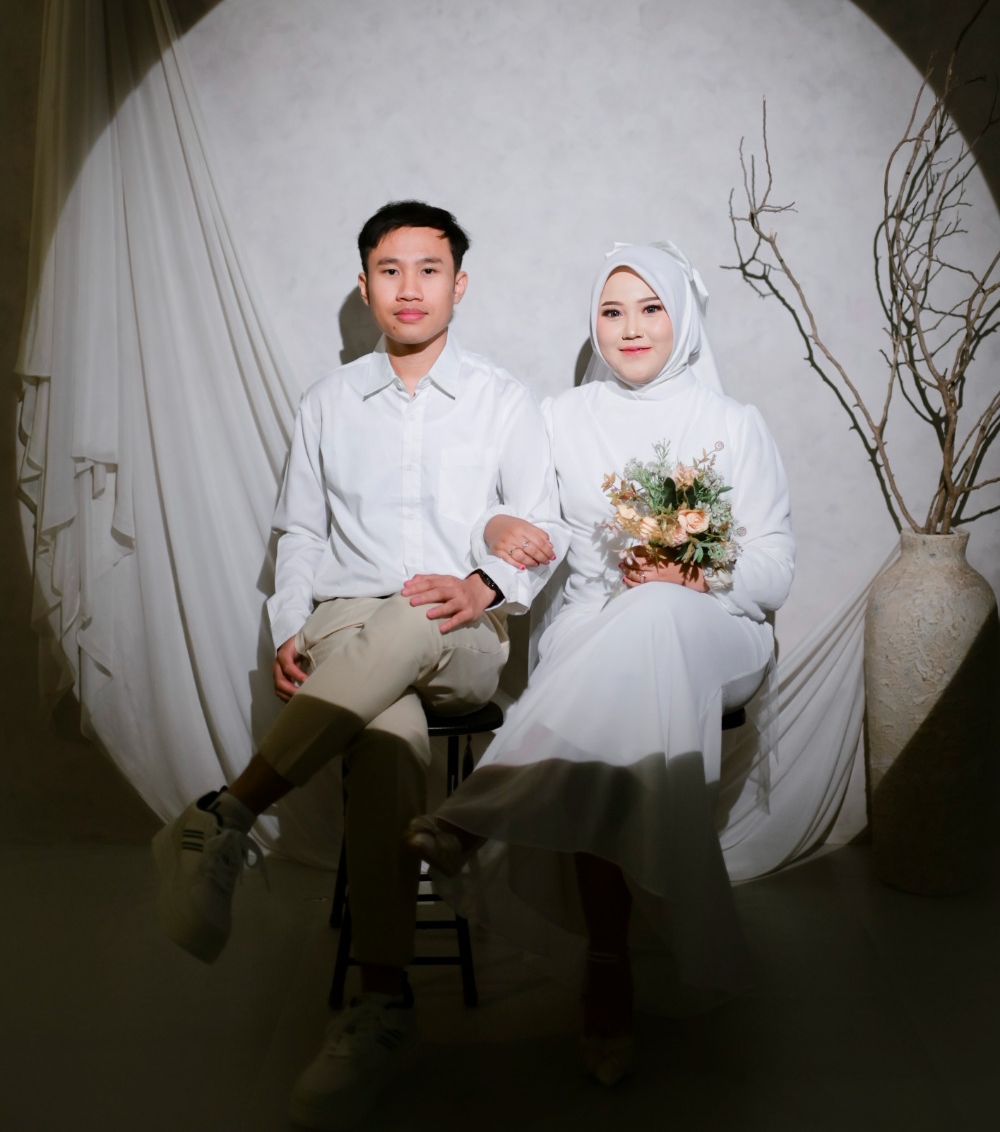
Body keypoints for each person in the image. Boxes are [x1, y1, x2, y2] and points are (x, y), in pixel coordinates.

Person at [151, 200, 563, 1131]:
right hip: (345, 624)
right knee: (385, 732)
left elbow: (545, 525)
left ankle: (226, 814)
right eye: (388, 269)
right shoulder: (327, 403)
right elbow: (300, 533)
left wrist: (484, 584)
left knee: (412, 617)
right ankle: (381, 1005)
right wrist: (287, 624)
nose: (408, 287)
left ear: (459, 284)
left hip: (461, 631)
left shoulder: (504, 400)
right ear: (365, 285)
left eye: (428, 268)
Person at [407, 242, 794, 1085]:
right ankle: (608, 961)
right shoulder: (560, 417)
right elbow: (518, 523)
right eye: (611, 311)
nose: (630, 328)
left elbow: (774, 574)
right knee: (619, 665)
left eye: (650, 308)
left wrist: (696, 572)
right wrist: (492, 531)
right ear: (594, 323)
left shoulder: (733, 423)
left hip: (718, 629)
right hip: (591, 626)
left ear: (681, 318)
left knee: (652, 612)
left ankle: (474, 814)